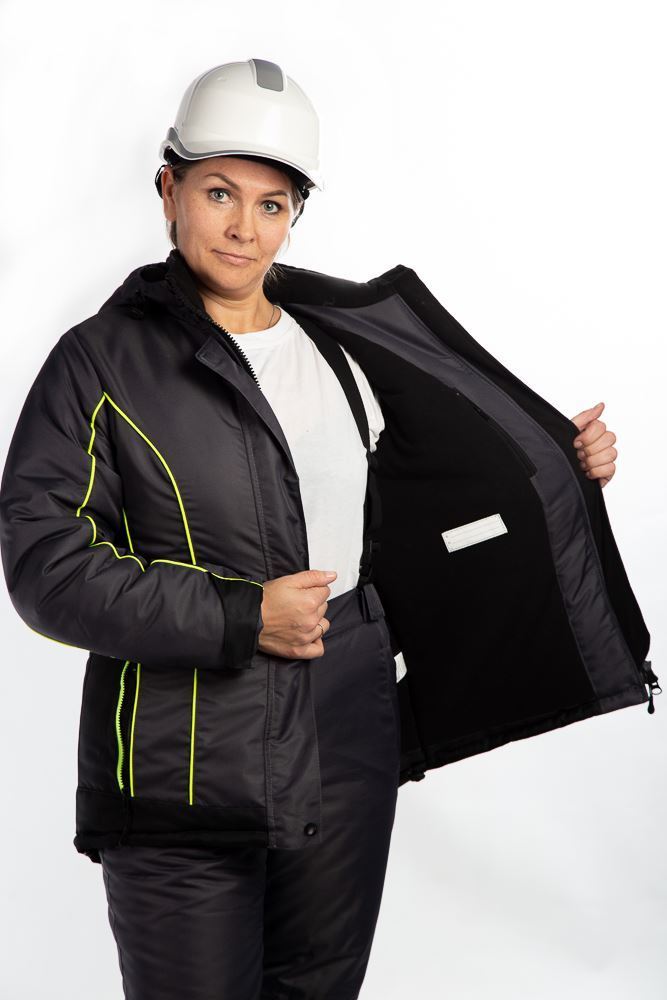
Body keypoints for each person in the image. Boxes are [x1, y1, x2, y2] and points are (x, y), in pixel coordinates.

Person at [0, 58, 652, 1000]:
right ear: (168, 189)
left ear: (295, 214)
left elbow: (422, 494)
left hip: (345, 737)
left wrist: (560, 464)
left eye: (272, 204)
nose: (243, 226)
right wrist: (241, 616)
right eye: (219, 193)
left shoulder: (341, 343)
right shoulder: (98, 362)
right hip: (183, 761)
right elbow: (45, 565)